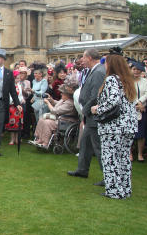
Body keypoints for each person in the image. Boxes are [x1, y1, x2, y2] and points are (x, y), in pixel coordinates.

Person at [91, 52, 137, 199]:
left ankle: (114, 191)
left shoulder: (111, 79)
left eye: (106, 62)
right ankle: (125, 189)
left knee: (110, 158)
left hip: (114, 127)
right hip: (128, 126)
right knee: (123, 158)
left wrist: (97, 108)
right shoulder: (127, 80)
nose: (104, 65)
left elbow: (113, 101)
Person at [67, 48, 106, 186]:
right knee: (85, 143)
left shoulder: (99, 72)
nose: (81, 60)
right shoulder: (94, 70)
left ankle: (108, 177)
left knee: (98, 147)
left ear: (89, 57)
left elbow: (96, 95)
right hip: (90, 115)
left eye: (83, 57)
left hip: (93, 115)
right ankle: (82, 170)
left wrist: (85, 109)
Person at [31, 81, 78, 148]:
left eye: (63, 93)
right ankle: (39, 139)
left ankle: (45, 142)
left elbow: (55, 111)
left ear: (67, 95)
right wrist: (51, 100)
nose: (61, 94)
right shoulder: (63, 100)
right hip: (58, 119)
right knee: (41, 119)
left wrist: (48, 103)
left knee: (47, 122)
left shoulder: (70, 103)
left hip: (66, 121)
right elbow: (57, 104)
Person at [130, 61, 147, 162]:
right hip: (130, 109)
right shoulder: (128, 81)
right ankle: (129, 154)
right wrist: (136, 104)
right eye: (134, 69)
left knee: (141, 134)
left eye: (138, 69)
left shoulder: (144, 81)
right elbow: (128, 93)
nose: (136, 71)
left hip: (142, 109)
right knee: (129, 133)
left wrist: (140, 102)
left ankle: (140, 154)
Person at [6, 70, 25, 145]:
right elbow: (9, 96)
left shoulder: (19, 86)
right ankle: (12, 139)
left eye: (18, 78)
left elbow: (20, 95)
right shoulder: (9, 86)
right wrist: (12, 101)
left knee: (18, 123)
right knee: (12, 123)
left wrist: (22, 100)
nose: (18, 79)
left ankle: (17, 139)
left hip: (19, 107)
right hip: (12, 107)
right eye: (16, 78)